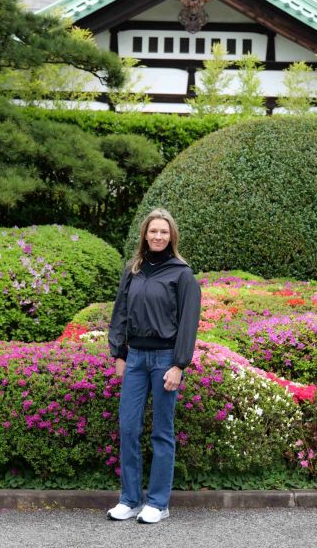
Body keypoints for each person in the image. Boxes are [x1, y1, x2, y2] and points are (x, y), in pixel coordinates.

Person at [106, 208, 202, 524]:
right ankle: (130, 499)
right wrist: (118, 353)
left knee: (162, 432)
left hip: (165, 360)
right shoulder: (133, 270)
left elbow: (188, 323)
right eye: (153, 231)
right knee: (128, 427)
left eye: (163, 232)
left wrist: (179, 365)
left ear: (171, 236)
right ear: (145, 235)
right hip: (135, 360)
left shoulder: (182, 274)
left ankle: (158, 503)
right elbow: (120, 313)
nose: (158, 236)